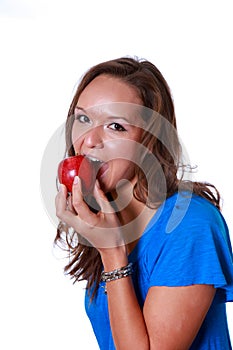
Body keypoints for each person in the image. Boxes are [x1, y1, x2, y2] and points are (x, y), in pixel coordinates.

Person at [55, 56, 233, 349]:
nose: (89, 140)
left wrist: (112, 253)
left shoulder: (190, 224)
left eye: (115, 126)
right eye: (83, 119)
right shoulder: (110, 217)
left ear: (149, 142)